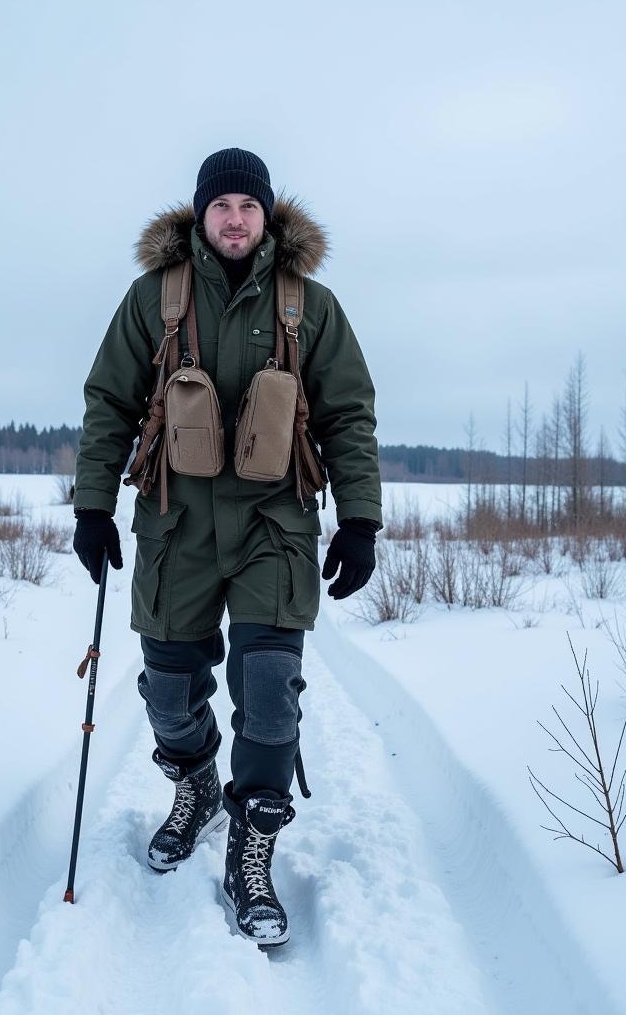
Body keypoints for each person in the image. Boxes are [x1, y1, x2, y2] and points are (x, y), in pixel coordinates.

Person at [73, 148, 381, 947]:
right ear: (201, 215)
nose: (235, 219)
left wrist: (360, 519)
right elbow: (109, 400)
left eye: (249, 206)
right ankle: (198, 781)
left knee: (271, 687)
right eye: (222, 207)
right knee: (169, 693)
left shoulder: (309, 305)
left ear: (266, 216)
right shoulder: (155, 300)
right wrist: (93, 507)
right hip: (175, 524)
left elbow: (348, 414)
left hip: (275, 524)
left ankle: (253, 846)